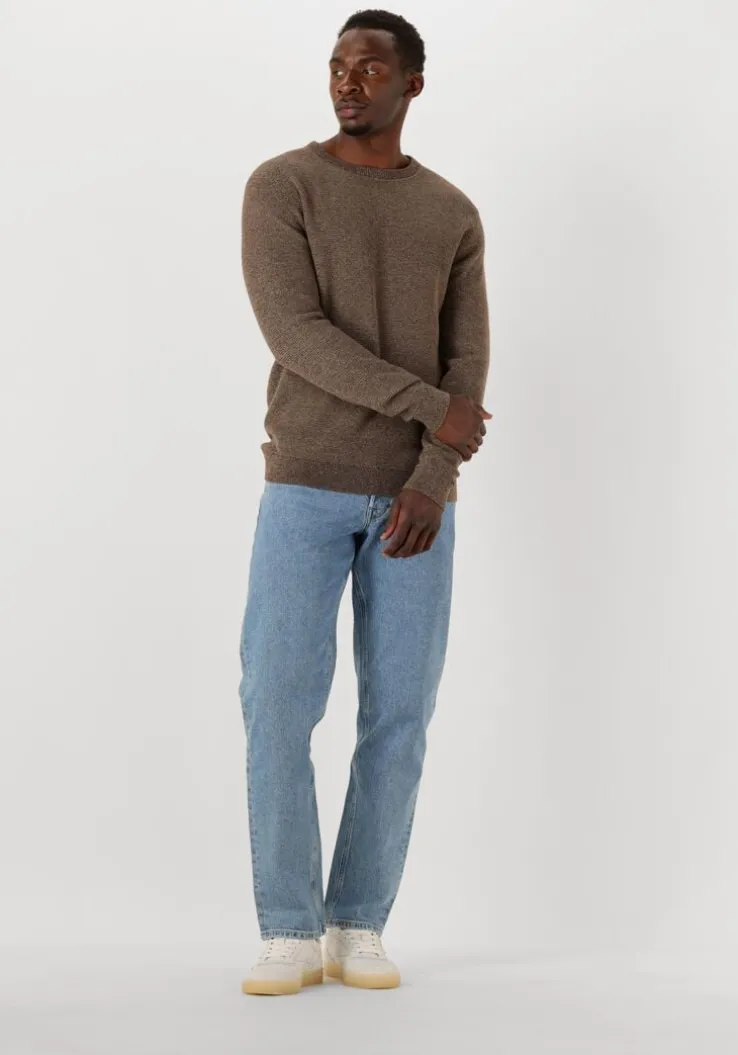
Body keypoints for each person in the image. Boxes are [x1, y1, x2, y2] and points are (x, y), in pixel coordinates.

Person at [238, 9, 491, 996]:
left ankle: (357, 921)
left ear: (411, 84)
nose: (348, 81)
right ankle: (288, 928)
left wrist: (432, 476)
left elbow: (468, 359)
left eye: (371, 68)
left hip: (416, 499)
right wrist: (435, 413)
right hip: (304, 484)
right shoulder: (283, 186)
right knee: (277, 707)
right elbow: (296, 333)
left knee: (400, 717)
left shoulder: (452, 212)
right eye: (338, 65)